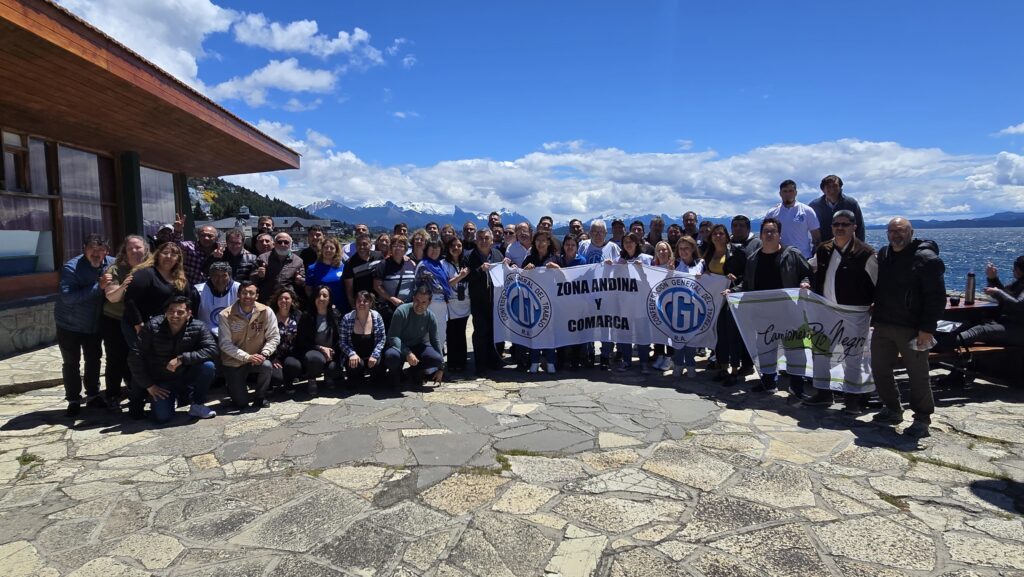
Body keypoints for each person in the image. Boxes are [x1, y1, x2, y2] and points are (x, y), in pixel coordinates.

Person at [870, 218, 946, 438]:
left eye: (901, 230)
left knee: (918, 374)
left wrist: (927, 329)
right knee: (880, 369)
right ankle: (892, 409)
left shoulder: (926, 259)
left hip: (913, 328)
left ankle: (922, 418)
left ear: (911, 232)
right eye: (892, 231)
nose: (896, 234)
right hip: (884, 323)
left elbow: (936, 297)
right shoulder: (884, 255)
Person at [801, 210, 877, 410]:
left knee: (853, 356)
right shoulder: (823, 249)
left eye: (845, 224)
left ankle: (852, 398)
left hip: (855, 313)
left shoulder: (866, 253)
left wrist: (876, 303)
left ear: (854, 227)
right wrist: (807, 282)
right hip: (826, 310)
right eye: (836, 224)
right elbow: (811, 270)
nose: (840, 228)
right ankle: (823, 393)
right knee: (820, 352)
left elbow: (880, 283)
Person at [730, 218, 813, 396]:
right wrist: (732, 291)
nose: (769, 234)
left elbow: (807, 274)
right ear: (760, 235)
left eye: (773, 231)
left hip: (790, 313)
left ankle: (796, 386)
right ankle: (768, 382)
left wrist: (805, 283)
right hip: (763, 314)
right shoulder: (753, 258)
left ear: (779, 234)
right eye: (766, 231)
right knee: (765, 349)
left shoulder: (792, 254)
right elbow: (746, 283)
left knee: (795, 350)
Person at [128, 296, 218, 423]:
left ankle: (197, 404)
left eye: (180, 312)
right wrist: (149, 385)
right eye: (171, 311)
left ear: (189, 314)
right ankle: (171, 398)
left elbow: (212, 349)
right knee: (162, 417)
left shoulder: (199, 326)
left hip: (186, 375)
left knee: (208, 366)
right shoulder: (152, 326)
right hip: (162, 379)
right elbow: (135, 356)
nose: (174, 315)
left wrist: (182, 358)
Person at [55, 234, 114, 416]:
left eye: (100, 250)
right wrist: (99, 286)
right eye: (92, 249)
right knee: (71, 362)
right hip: (69, 324)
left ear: (106, 251)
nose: (96, 253)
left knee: (94, 360)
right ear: (84, 249)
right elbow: (68, 297)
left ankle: (93, 396)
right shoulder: (71, 268)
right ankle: (73, 399)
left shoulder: (111, 264)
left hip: (94, 325)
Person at [101, 235, 149, 405]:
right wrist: (124, 286)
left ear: (145, 249)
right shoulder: (115, 269)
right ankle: (113, 395)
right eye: (131, 249)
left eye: (138, 247)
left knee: (139, 356)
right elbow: (112, 297)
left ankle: (138, 390)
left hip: (141, 320)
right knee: (116, 358)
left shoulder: (152, 265)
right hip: (115, 318)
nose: (135, 251)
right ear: (125, 252)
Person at [218, 281, 280, 410]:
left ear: (256, 296)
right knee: (241, 404)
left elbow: (274, 336)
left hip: (256, 359)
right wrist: (247, 357)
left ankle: (260, 397)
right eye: (244, 293)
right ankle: (234, 387)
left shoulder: (266, 311)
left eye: (251, 293)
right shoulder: (225, 315)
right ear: (238, 295)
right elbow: (225, 344)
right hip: (234, 362)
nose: (247, 296)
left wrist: (264, 354)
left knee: (267, 365)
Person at [703, 224, 749, 385]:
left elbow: (746, 274)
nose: (717, 236)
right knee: (719, 333)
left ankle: (735, 370)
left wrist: (735, 280)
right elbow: (706, 271)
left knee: (732, 334)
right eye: (715, 234)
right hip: (715, 299)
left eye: (721, 234)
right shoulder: (709, 253)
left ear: (726, 236)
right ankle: (723, 367)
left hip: (732, 298)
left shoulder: (736, 252)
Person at [125, 242, 194, 336]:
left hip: (169, 328)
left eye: (173, 255)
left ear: (178, 259)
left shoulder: (181, 279)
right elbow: (130, 300)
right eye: (165, 253)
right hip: (143, 327)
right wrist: (139, 325)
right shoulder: (145, 274)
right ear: (158, 255)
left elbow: (187, 302)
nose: (169, 256)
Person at [579, 220, 621, 370]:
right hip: (587, 293)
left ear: (605, 233)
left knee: (606, 325)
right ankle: (589, 354)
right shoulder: (583, 246)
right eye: (594, 232)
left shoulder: (613, 247)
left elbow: (621, 268)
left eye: (600, 232)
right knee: (587, 325)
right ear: (589, 233)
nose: (597, 235)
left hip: (607, 293)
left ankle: (605, 355)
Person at [384, 285, 445, 388]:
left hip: (417, 346)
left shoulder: (430, 316)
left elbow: (435, 340)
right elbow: (393, 337)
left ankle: (413, 371)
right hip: (399, 347)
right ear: (413, 298)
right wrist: (407, 352)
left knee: (437, 359)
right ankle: (395, 373)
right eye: (417, 300)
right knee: (391, 356)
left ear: (429, 303)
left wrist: (441, 368)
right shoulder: (401, 311)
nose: (419, 305)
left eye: (423, 302)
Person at [415, 238, 464, 360]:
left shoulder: (438, 265)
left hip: (441, 304)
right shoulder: (424, 265)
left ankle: (436, 364)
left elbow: (444, 285)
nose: (434, 251)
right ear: (427, 249)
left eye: (437, 248)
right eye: (432, 248)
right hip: (429, 304)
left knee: (440, 336)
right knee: (429, 336)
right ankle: (428, 367)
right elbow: (436, 286)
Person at [467, 228, 505, 376]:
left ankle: (494, 361)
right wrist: (479, 270)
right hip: (478, 302)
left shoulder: (497, 254)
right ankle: (480, 365)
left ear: (492, 240)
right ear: (476, 240)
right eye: (480, 238)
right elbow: (466, 279)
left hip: (495, 301)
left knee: (495, 332)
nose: (483, 241)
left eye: (486, 238)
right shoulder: (469, 257)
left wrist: (508, 264)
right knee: (480, 333)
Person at [294, 286, 344, 395]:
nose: (321, 298)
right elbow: (302, 341)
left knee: (334, 369)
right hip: (313, 350)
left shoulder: (335, 314)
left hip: (332, 351)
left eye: (325, 296)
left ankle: (328, 376)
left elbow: (339, 337)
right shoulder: (307, 316)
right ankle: (312, 379)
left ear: (329, 299)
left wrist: (332, 350)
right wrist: (320, 348)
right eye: (318, 295)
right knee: (315, 359)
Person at [615, 233, 653, 373]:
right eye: (625, 241)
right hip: (624, 304)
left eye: (631, 241)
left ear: (637, 243)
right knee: (625, 334)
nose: (628, 244)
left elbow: (652, 281)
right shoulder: (619, 260)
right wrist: (608, 265)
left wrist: (642, 270)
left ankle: (644, 362)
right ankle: (626, 361)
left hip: (641, 304)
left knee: (643, 334)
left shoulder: (646, 259)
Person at [522, 230, 559, 374]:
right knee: (535, 332)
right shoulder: (529, 259)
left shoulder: (555, 258)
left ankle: (550, 362)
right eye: (537, 240)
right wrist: (525, 270)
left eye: (543, 240)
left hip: (551, 302)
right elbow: (520, 278)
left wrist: (557, 268)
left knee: (550, 333)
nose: (540, 243)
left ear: (549, 242)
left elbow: (565, 279)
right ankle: (534, 361)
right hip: (533, 302)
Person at [670, 236, 705, 380]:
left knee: (691, 339)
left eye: (687, 248)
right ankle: (678, 364)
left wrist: (703, 276)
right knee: (677, 338)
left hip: (695, 307)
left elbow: (711, 280)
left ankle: (690, 364)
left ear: (693, 249)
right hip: (676, 306)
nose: (683, 251)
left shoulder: (701, 264)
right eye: (681, 248)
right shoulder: (674, 264)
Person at [552, 234, 587, 370]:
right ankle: (561, 361)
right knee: (561, 332)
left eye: (573, 245)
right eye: (567, 244)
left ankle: (575, 362)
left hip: (576, 303)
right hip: (560, 304)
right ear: (563, 246)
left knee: (576, 332)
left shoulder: (582, 261)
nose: (570, 247)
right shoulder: (557, 259)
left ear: (577, 247)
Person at [764, 179, 821, 259]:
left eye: (791, 191)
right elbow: (765, 236)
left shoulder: (807, 211)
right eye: (785, 191)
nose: (788, 194)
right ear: (780, 193)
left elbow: (816, 237)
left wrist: (815, 258)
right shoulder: (772, 213)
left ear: (796, 192)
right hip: (779, 257)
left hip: (803, 257)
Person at [340, 290, 387, 385]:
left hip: (372, 355)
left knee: (378, 377)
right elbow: (342, 342)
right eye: (359, 301)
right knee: (355, 369)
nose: (361, 303)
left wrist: (375, 354)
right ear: (355, 303)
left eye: (365, 301)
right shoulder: (347, 318)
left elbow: (382, 339)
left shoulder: (377, 317)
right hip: (356, 356)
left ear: (370, 303)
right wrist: (351, 354)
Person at [373, 234, 418, 328]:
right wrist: (391, 298)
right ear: (390, 248)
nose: (398, 248)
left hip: (408, 307)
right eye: (394, 246)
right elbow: (377, 286)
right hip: (390, 307)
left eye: (401, 246)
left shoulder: (410, 264)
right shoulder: (383, 265)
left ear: (405, 249)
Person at [444, 237, 472, 373]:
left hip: (464, 304)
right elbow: (446, 284)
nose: (456, 248)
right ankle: (452, 363)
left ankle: (462, 362)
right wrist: (460, 276)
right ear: (448, 248)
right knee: (451, 333)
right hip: (450, 304)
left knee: (461, 333)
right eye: (453, 246)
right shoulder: (443, 263)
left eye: (459, 246)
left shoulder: (465, 262)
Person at [267, 287, 304, 393]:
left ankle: (289, 383)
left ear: (292, 301)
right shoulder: (270, 316)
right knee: (277, 378)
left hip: (291, 355)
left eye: (287, 298)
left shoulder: (298, 315)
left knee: (294, 366)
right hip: (274, 355)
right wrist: (272, 358)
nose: (283, 301)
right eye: (281, 298)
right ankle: (269, 383)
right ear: (276, 301)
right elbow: (264, 339)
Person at [810, 174, 866, 243]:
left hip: (847, 247)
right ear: (823, 189)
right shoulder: (814, 206)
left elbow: (860, 227)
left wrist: (859, 248)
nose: (832, 189)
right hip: (823, 247)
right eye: (828, 187)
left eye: (835, 186)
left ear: (840, 188)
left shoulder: (851, 204)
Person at [254, 232, 305, 305]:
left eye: (286, 242)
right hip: (266, 302)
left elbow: (302, 284)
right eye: (279, 242)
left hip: (287, 302)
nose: (282, 244)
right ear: (274, 244)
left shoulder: (298, 261)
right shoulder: (262, 258)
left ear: (290, 244)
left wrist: (300, 280)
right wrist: (259, 276)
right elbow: (253, 281)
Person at [192, 261, 240, 338]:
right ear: (210, 276)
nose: (220, 280)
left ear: (230, 276)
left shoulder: (239, 289)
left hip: (233, 334)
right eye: (216, 276)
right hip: (206, 335)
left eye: (224, 275)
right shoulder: (198, 291)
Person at [173, 213, 223, 285]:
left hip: (211, 292)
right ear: (198, 236)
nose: (206, 238)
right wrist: (177, 231)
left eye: (210, 236)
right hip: (190, 290)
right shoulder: (189, 247)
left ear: (216, 238)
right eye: (203, 235)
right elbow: (173, 247)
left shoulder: (221, 251)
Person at [305, 236, 346, 312]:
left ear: (336, 251)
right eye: (326, 247)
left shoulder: (343, 267)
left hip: (341, 308)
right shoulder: (312, 268)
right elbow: (308, 290)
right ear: (321, 249)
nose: (328, 250)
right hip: (321, 309)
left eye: (332, 248)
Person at [343, 234, 381, 309]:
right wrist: (353, 305)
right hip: (361, 303)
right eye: (359, 244)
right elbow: (349, 289)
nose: (362, 247)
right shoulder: (350, 263)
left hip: (378, 302)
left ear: (370, 245)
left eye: (365, 244)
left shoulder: (379, 257)